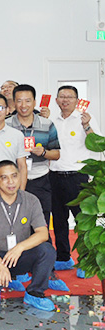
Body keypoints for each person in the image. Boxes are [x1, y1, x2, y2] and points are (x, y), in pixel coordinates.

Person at [0, 161, 57, 311]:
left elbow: (43, 233)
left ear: (20, 177)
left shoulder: (31, 200)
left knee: (47, 250)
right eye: (4, 177)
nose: (11, 182)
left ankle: (34, 293)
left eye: (14, 176)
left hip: (18, 255)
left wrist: (20, 248)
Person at [46, 85, 102, 276]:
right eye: (62, 96)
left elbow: (97, 145)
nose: (65, 100)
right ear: (56, 100)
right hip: (54, 175)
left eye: (70, 97)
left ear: (77, 100)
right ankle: (63, 257)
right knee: (59, 220)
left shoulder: (85, 118)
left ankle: (86, 261)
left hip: (78, 177)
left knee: (82, 221)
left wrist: (87, 126)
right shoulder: (51, 121)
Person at [6, 84, 61, 247]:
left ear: (35, 102)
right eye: (19, 101)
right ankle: (18, 260)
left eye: (28, 101)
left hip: (40, 180)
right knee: (14, 223)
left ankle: (45, 260)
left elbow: (56, 154)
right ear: (14, 102)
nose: (23, 105)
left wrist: (43, 152)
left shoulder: (47, 124)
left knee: (41, 223)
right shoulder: (6, 125)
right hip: (12, 182)